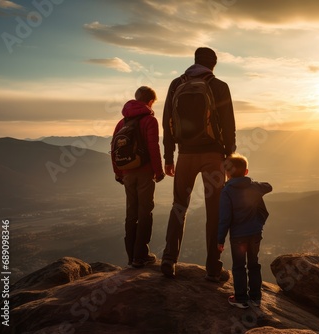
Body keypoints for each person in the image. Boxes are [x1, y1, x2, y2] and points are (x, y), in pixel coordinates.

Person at [160, 47, 236, 280]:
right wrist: (229, 156)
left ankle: (169, 260)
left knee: (179, 206)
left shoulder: (176, 84)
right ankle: (213, 268)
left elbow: (167, 121)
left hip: (185, 155)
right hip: (213, 156)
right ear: (213, 64)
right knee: (215, 210)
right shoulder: (219, 85)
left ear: (194, 61)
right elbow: (228, 124)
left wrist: (169, 157)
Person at [112, 86, 165, 268]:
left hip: (127, 173)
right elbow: (153, 147)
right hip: (144, 172)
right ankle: (140, 256)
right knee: (145, 213)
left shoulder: (122, 122)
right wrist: (158, 172)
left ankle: (131, 257)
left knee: (131, 214)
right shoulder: (150, 120)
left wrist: (118, 172)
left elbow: (113, 149)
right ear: (150, 102)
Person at [217, 153, 272, 308]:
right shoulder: (254, 186)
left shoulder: (227, 191)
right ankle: (256, 298)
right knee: (254, 265)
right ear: (246, 172)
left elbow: (225, 219)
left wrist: (220, 240)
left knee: (239, 266)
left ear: (227, 174)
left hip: (238, 237)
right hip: (255, 233)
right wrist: (251, 182)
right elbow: (268, 186)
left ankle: (241, 299)